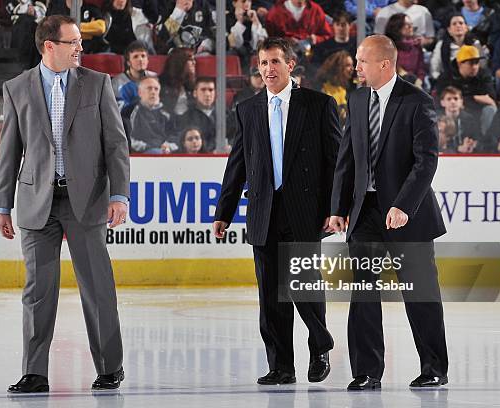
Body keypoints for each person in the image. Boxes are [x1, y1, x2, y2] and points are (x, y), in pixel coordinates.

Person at [0, 15, 130, 393]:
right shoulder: (17, 87)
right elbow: (9, 153)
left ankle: (109, 366)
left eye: (79, 42)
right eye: (73, 42)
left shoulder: (98, 84)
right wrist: (2, 206)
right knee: (38, 291)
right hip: (37, 203)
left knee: (97, 288)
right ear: (49, 46)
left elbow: (116, 145)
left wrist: (119, 195)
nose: (80, 48)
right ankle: (35, 372)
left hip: (86, 201)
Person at [213, 37, 341, 386]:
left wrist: (335, 209)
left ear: (291, 65)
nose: (268, 69)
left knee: (303, 286)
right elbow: (238, 162)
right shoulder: (248, 109)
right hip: (263, 212)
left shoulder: (319, 104)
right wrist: (224, 210)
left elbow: (336, 163)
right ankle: (281, 366)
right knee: (270, 295)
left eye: (274, 62)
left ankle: (320, 345)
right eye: (263, 63)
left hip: (305, 211)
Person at [329, 35, 448, 391]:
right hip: (365, 213)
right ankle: (366, 371)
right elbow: (347, 158)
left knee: (420, 291)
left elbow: (426, 161)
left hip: (406, 214)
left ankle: (433, 368)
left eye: (362, 61)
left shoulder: (417, 101)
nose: (357, 67)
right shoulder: (358, 98)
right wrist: (338, 207)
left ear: (384, 63)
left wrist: (403, 205)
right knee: (363, 291)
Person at [436, 44, 497, 135]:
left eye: (476, 63)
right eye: (471, 63)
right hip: (454, 111)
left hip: (477, 110)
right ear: (459, 63)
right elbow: (442, 99)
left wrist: (465, 99)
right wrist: (475, 98)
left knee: (490, 109)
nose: (475, 67)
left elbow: (491, 97)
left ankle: (484, 142)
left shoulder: (483, 74)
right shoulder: (447, 77)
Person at [265, 0, 333, 60]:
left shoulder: (316, 10)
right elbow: (268, 41)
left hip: (312, 57)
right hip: (282, 57)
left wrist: (315, 39)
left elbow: (328, 35)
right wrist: (283, 41)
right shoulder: (275, 13)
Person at [430, 13, 484, 82]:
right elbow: (434, 70)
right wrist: (442, 81)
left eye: (461, 23)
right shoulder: (441, 45)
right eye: (454, 24)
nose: (458, 26)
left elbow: (483, 66)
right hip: (449, 82)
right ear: (449, 30)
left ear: (466, 28)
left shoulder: (475, 43)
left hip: (473, 81)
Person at [129, 76, 177, 153]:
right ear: (140, 93)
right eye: (149, 88)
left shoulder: (168, 113)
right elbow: (128, 138)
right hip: (141, 154)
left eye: (156, 89)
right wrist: (148, 147)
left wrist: (168, 145)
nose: (153, 92)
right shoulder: (131, 112)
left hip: (166, 152)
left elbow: (176, 135)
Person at [111, 40, 156, 110]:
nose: (140, 59)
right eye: (135, 57)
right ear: (128, 62)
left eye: (143, 56)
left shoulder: (155, 78)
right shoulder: (117, 82)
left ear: (147, 60)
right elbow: (117, 111)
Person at [437, 85, 484, 152]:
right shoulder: (437, 120)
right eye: (449, 99)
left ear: (461, 101)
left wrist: (472, 144)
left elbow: (478, 139)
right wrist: (458, 149)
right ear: (442, 102)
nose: (453, 102)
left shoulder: (470, 120)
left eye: (456, 98)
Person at [384, 13, 425, 87]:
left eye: (411, 24)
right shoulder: (388, 47)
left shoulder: (416, 46)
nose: (411, 27)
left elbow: (420, 68)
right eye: (407, 24)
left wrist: (419, 80)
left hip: (414, 84)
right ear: (397, 27)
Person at [177, 77, 216, 152]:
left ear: (215, 93)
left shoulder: (225, 114)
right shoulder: (186, 117)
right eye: (203, 90)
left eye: (211, 90)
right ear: (195, 93)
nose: (207, 94)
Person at [316, 50, 355, 125]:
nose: (352, 68)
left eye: (352, 65)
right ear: (338, 67)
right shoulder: (322, 89)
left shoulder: (344, 90)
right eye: (347, 65)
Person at [159, 47, 197, 116]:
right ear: (180, 61)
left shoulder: (191, 85)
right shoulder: (161, 83)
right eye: (191, 60)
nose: (194, 63)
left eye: (194, 59)